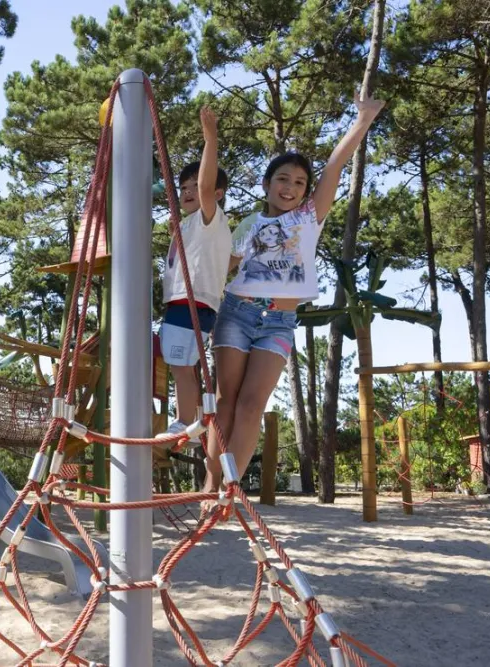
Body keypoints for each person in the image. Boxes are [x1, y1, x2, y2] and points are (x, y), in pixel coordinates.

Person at [203, 92, 386, 501]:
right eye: (282, 179)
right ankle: (210, 484)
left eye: (300, 182)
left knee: (252, 405)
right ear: (267, 184)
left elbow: (336, 165)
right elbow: (221, 265)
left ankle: (231, 490)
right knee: (226, 401)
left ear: (306, 193)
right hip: (237, 313)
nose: (291, 187)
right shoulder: (249, 223)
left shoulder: (308, 219)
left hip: (279, 323)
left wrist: (363, 119)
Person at [157, 106, 232, 443]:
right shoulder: (189, 225)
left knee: (181, 368)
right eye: (182, 187)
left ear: (216, 194)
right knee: (179, 365)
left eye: (195, 186)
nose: (188, 191)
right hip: (181, 304)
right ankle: (193, 418)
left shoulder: (209, 216)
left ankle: (183, 419)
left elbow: (205, 189)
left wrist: (210, 140)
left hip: (192, 304)